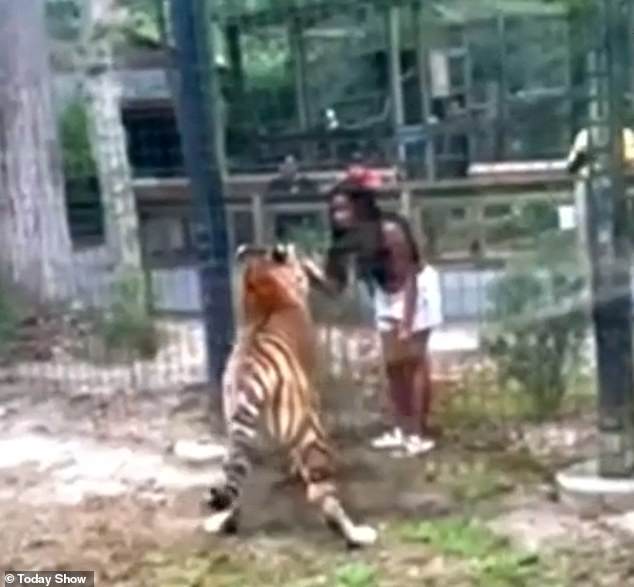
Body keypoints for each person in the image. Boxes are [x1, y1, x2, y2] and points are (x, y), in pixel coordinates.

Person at [304, 183, 442, 456]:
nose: (338, 216)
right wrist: (309, 272)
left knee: (413, 362)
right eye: (334, 210)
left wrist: (406, 320)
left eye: (344, 208)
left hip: (415, 290)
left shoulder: (389, 229)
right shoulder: (344, 243)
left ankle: (417, 434)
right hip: (385, 293)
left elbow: (410, 275)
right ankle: (401, 428)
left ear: (361, 207)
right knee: (392, 365)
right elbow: (335, 289)